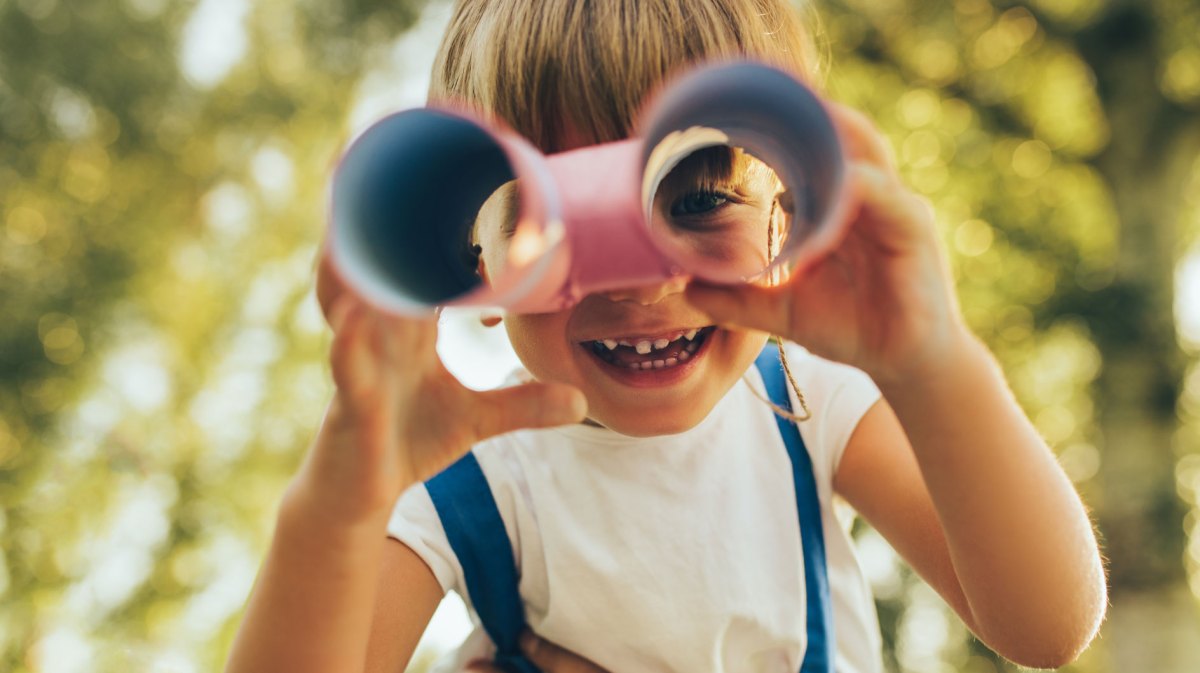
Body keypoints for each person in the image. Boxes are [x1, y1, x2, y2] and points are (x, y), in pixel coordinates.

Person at [223, 1, 1108, 672]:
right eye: (547, 223)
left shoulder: (804, 399)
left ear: (791, 214)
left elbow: (1045, 625)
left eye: (697, 200)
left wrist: (934, 364)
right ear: (470, 260)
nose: (639, 279)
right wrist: (339, 499)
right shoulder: (459, 474)